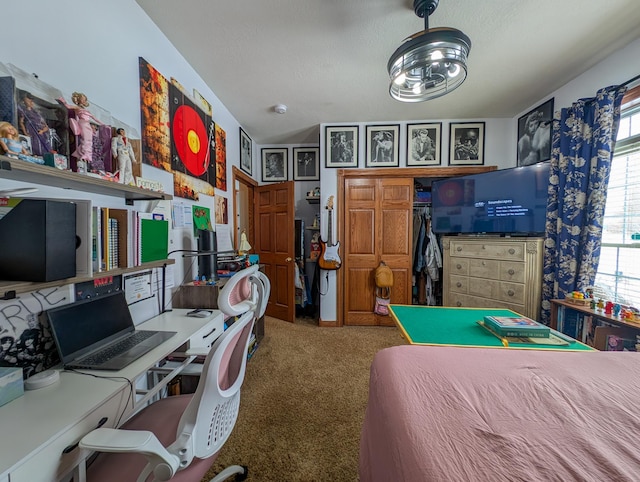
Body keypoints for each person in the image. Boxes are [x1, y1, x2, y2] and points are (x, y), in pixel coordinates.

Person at [57, 92, 104, 173]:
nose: (83, 100)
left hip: (87, 125)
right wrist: (63, 101)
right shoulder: (77, 107)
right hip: (82, 124)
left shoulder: (86, 110)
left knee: (89, 141)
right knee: (85, 140)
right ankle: (85, 155)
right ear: (79, 99)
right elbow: (68, 106)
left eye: (84, 99)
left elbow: (94, 118)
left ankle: (85, 155)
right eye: (82, 99)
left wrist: (103, 124)